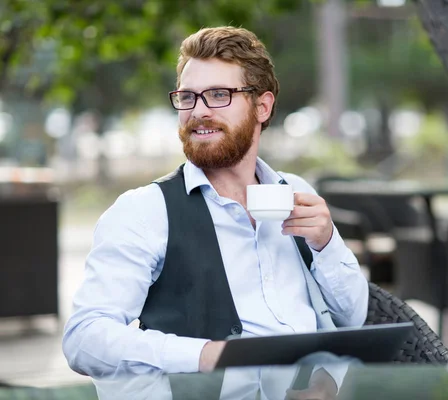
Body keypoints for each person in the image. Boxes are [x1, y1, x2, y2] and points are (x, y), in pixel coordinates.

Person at [62, 26, 369, 379]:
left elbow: (354, 316)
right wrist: (206, 355)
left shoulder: (296, 193)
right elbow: (84, 338)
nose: (199, 111)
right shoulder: (145, 212)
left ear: (263, 106)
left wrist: (326, 244)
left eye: (218, 94)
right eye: (188, 97)